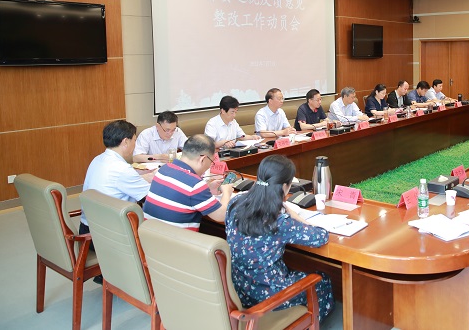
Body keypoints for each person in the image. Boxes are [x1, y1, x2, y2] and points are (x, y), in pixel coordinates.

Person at [225, 155, 335, 321]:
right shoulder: (279, 221)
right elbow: (321, 236)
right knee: (322, 280)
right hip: (268, 296)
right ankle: (309, 324)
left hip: (238, 290)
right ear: (285, 186)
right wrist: (295, 215)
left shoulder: (235, 204)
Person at [143, 134, 233, 230]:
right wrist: (226, 192)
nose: (210, 165)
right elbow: (221, 215)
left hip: (149, 235)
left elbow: (182, 194)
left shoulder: (164, 169)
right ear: (203, 159)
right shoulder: (195, 184)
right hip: (177, 238)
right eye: (211, 162)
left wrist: (207, 188)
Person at [80, 120, 152, 236]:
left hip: (88, 229)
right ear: (126, 142)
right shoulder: (122, 169)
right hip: (110, 234)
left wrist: (143, 177)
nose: (135, 144)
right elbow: (151, 199)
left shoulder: (97, 159)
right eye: (135, 140)